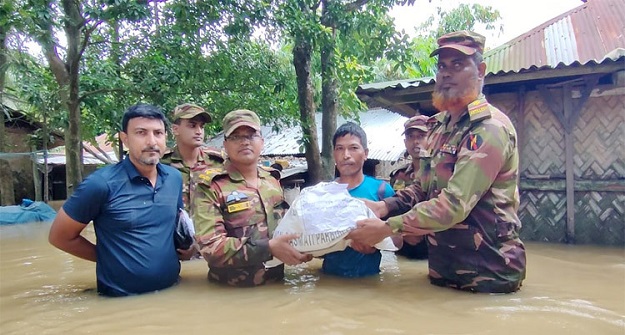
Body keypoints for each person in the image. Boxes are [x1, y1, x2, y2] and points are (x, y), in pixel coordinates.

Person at [348, 31, 526, 293]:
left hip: (490, 274)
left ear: (481, 70)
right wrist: (384, 206)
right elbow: (422, 188)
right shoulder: (441, 127)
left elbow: (455, 204)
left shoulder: (488, 128)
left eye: (458, 64)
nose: (446, 73)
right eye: (442, 65)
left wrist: (387, 228)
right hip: (444, 270)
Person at [48, 103, 193, 297]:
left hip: (172, 294)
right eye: (141, 133)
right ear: (125, 139)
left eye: (158, 133)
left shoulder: (174, 178)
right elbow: (59, 237)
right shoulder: (100, 185)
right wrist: (107, 258)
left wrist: (189, 249)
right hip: (119, 301)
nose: (152, 141)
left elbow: (177, 225)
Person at [191, 109, 311, 287]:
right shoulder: (209, 185)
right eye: (236, 137)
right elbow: (211, 248)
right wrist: (268, 248)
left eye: (251, 135)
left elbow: (287, 228)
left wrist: (309, 245)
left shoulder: (272, 180)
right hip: (230, 294)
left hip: (278, 287)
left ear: (261, 141)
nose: (245, 142)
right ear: (225, 144)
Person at [322, 122, 395, 278]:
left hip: (370, 281)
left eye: (353, 148)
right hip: (328, 281)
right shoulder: (322, 193)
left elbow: (400, 240)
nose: (346, 155)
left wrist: (376, 239)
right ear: (334, 153)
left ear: (366, 153)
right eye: (339, 148)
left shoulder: (382, 191)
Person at [161, 103, 223, 215]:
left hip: (211, 229)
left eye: (202, 126)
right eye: (192, 125)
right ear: (175, 129)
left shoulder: (218, 162)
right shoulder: (162, 164)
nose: (199, 131)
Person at [389, 115, 430, 260]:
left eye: (421, 136)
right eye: (411, 137)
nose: (416, 141)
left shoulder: (443, 174)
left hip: (434, 252)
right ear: (405, 142)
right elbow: (393, 210)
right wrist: (401, 233)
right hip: (403, 253)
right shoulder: (398, 176)